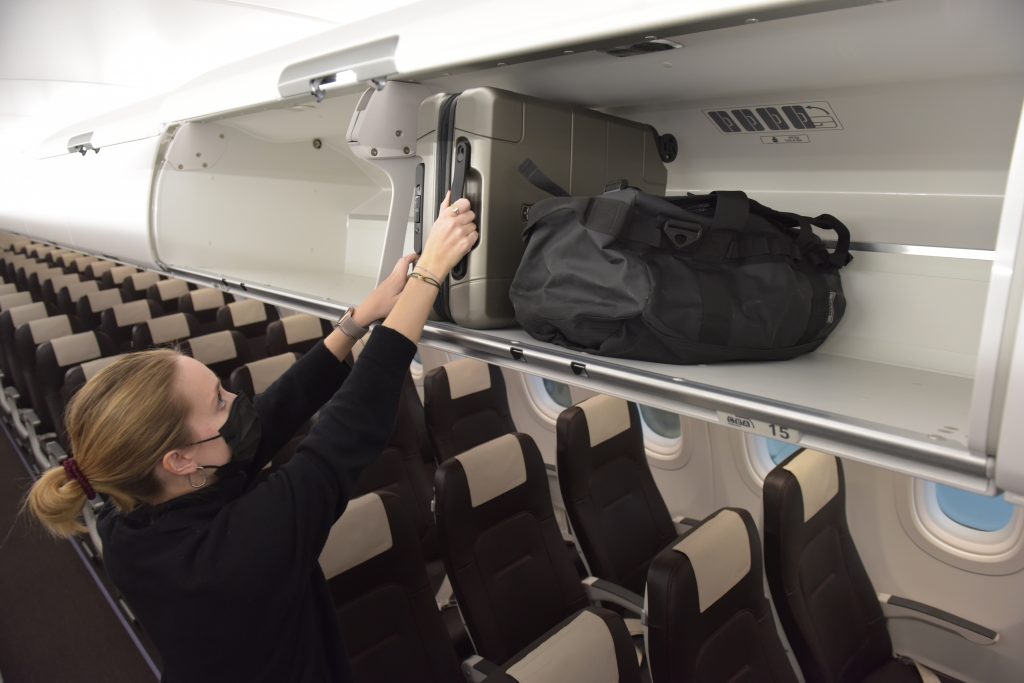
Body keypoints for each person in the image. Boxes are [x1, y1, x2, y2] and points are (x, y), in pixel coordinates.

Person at [26, 193, 478, 682]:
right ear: (178, 460)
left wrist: (358, 320)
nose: (237, 401)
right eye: (220, 401)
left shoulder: (132, 513)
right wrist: (430, 273)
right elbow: (341, 438)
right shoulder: (229, 557)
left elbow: (272, 413)